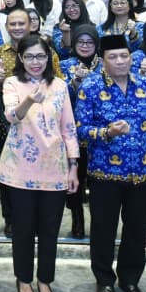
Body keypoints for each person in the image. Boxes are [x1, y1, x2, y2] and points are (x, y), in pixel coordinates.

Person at [75, 34, 146, 292]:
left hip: (142, 172)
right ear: (103, 61)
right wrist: (106, 132)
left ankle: (130, 280)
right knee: (103, 229)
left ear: (132, 57)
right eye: (113, 57)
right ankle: (104, 279)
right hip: (105, 173)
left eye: (124, 56)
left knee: (136, 230)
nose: (120, 61)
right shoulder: (91, 87)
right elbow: (80, 130)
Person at [0, 34, 79, 292]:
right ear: (21, 58)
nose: (35, 62)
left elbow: (69, 128)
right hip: (21, 168)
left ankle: (44, 279)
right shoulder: (12, 83)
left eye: (41, 56)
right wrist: (29, 100)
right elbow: (11, 116)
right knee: (22, 229)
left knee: (49, 229)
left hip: (54, 168)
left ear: (49, 58)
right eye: (29, 56)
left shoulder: (60, 86)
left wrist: (74, 166)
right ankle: (23, 278)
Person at [60, 25, 100, 240]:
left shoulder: (104, 66)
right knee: (74, 180)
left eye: (90, 42)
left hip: (99, 134)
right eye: (80, 42)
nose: (85, 46)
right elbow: (57, 94)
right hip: (71, 132)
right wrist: (74, 82)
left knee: (97, 184)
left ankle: (98, 221)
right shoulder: (65, 65)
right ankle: (77, 219)